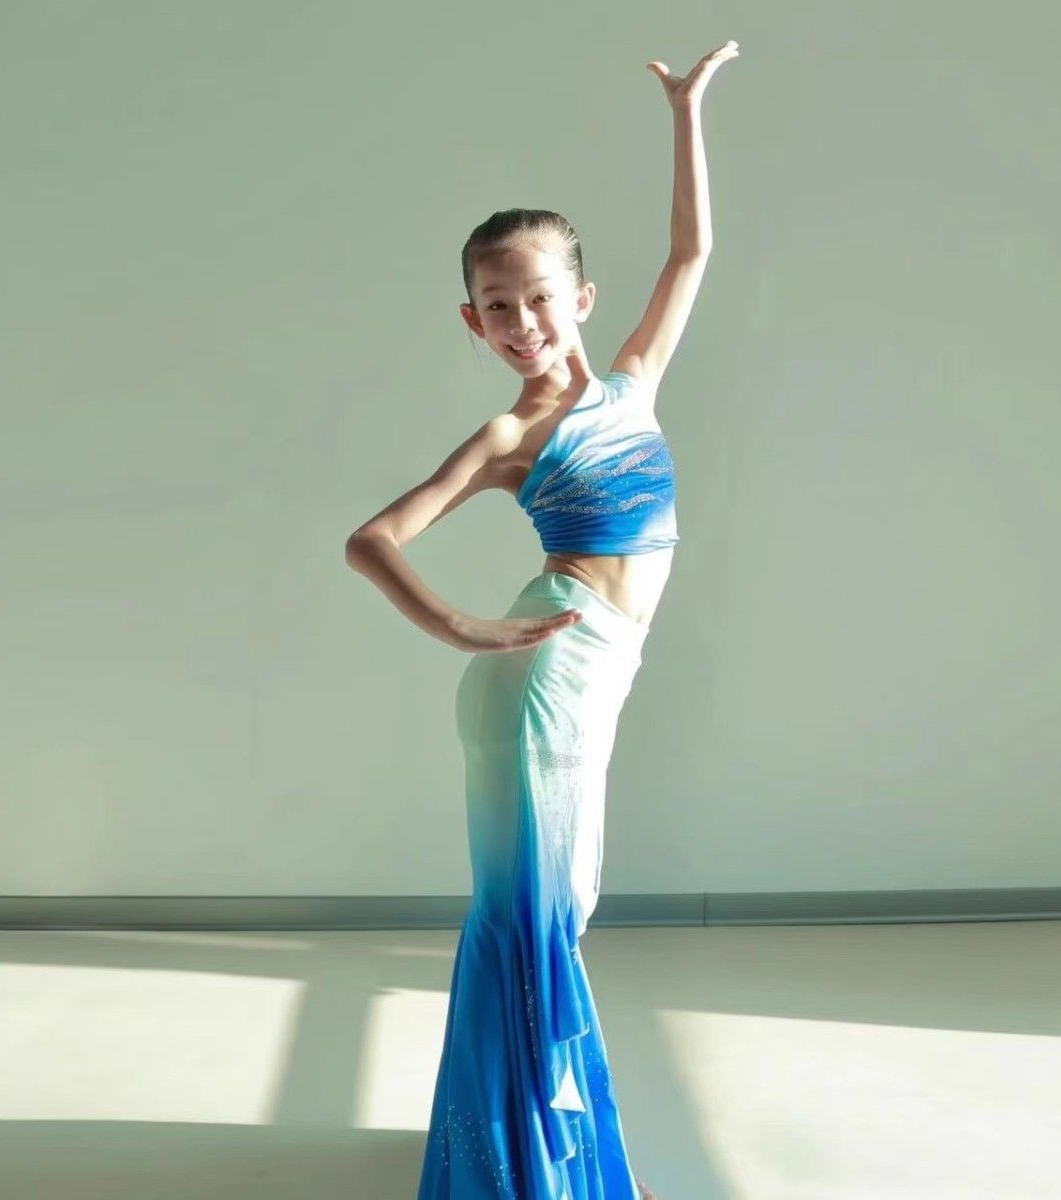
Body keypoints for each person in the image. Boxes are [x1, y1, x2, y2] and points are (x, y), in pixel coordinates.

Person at [345, 40, 739, 1200]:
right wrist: (462, 628)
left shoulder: (633, 382)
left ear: (581, 299)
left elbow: (693, 250)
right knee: (535, 921)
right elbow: (374, 538)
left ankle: (516, 1142)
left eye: (538, 298)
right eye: (497, 309)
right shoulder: (509, 438)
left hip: (594, 674)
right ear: (472, 325)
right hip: (545, 682)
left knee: (552, 914)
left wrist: (686, 112)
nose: (522, 321)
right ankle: (532, 1164)